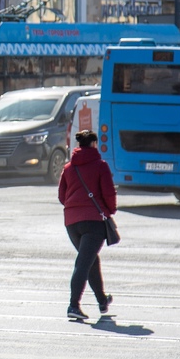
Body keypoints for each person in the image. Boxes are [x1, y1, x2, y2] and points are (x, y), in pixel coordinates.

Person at [57, 130, 116, 320]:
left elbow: (61, 196)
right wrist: (110, 211)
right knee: (84, 263)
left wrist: (75, 206)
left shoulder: (68, 168)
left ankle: (102, 300)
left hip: (72, 223)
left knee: (90, 259)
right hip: (93, 222)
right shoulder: (101, 166)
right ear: (93, 144)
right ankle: (73, 305)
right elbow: (108, 194)